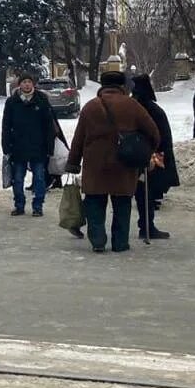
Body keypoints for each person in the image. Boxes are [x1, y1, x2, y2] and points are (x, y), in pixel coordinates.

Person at [65, 70, 161, 253]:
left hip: (95, 163)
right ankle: (120, 243)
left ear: (102, 85)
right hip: (124, 161)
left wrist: (73, 163)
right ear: (122, 86)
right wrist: (146, 151)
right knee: (122, 203)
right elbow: (153, 132)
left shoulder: (91, 107)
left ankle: (98, 240)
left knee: (94, 202)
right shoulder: (132, 105)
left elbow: (79, 138)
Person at [1, 72, 57, 217]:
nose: (27, 84)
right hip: (18, 146)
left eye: (29, 82)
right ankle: (19, 205)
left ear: (33, 84)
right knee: (18, 178)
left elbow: (49, 126)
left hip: (38, 146)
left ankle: (38, 206)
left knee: (39, 177)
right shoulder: (12, 102)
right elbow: (6, 125)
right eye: (24, 82)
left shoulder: (41, 100)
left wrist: (50, 146)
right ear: (19, 84)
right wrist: (6, 146)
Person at [130, 74, 178, 240]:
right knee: (146, 193)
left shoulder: (132, 107)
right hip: (152, 157)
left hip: (134, 155)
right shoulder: (152, 109)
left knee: (142, 192)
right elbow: (162, 136)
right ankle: (147, 227)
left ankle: (145, 226)